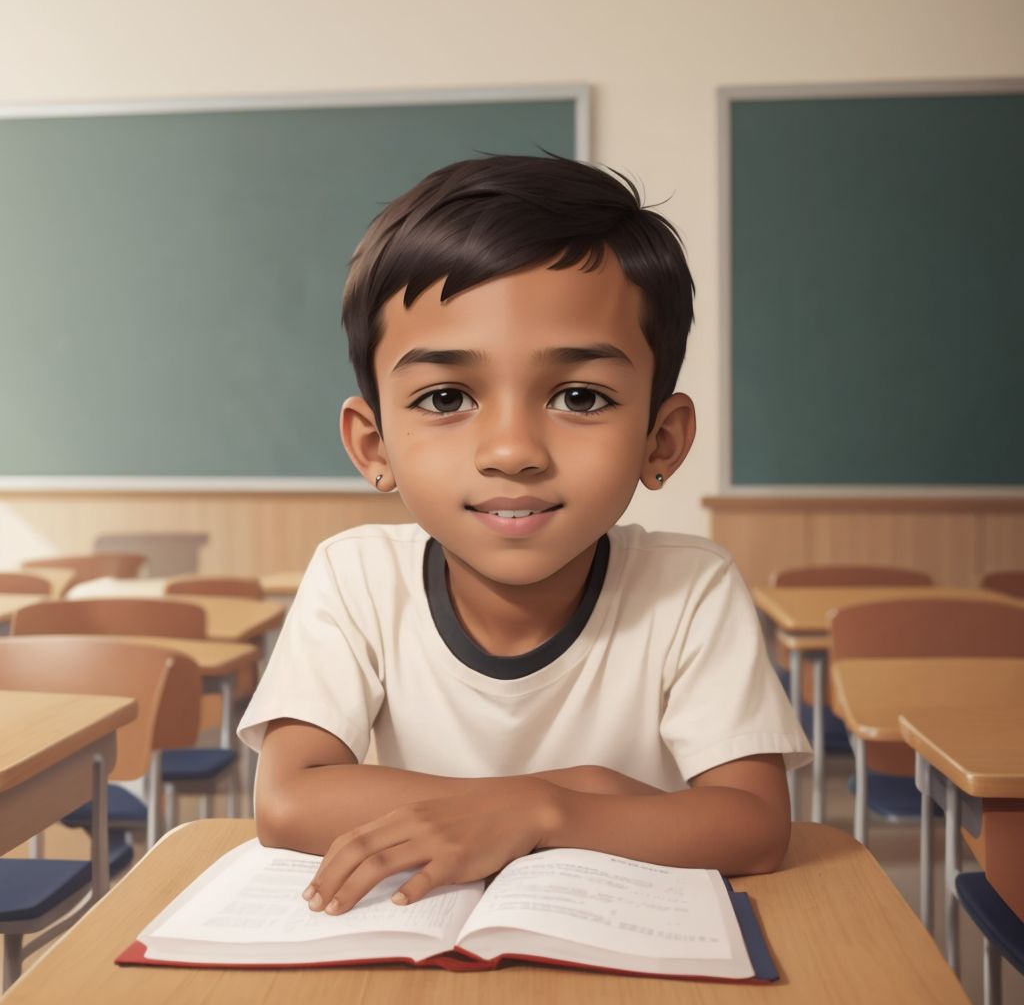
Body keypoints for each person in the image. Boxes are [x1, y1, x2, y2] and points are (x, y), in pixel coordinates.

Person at [237, 152, 811, 918]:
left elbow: (753, 825)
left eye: (580, 396)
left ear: (661, 441)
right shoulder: (357, 577)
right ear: (375, 446)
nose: (512, 451)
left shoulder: (690, 587)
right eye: (446, 397)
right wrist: (595, 796)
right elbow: (287, 802)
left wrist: (540, 812)